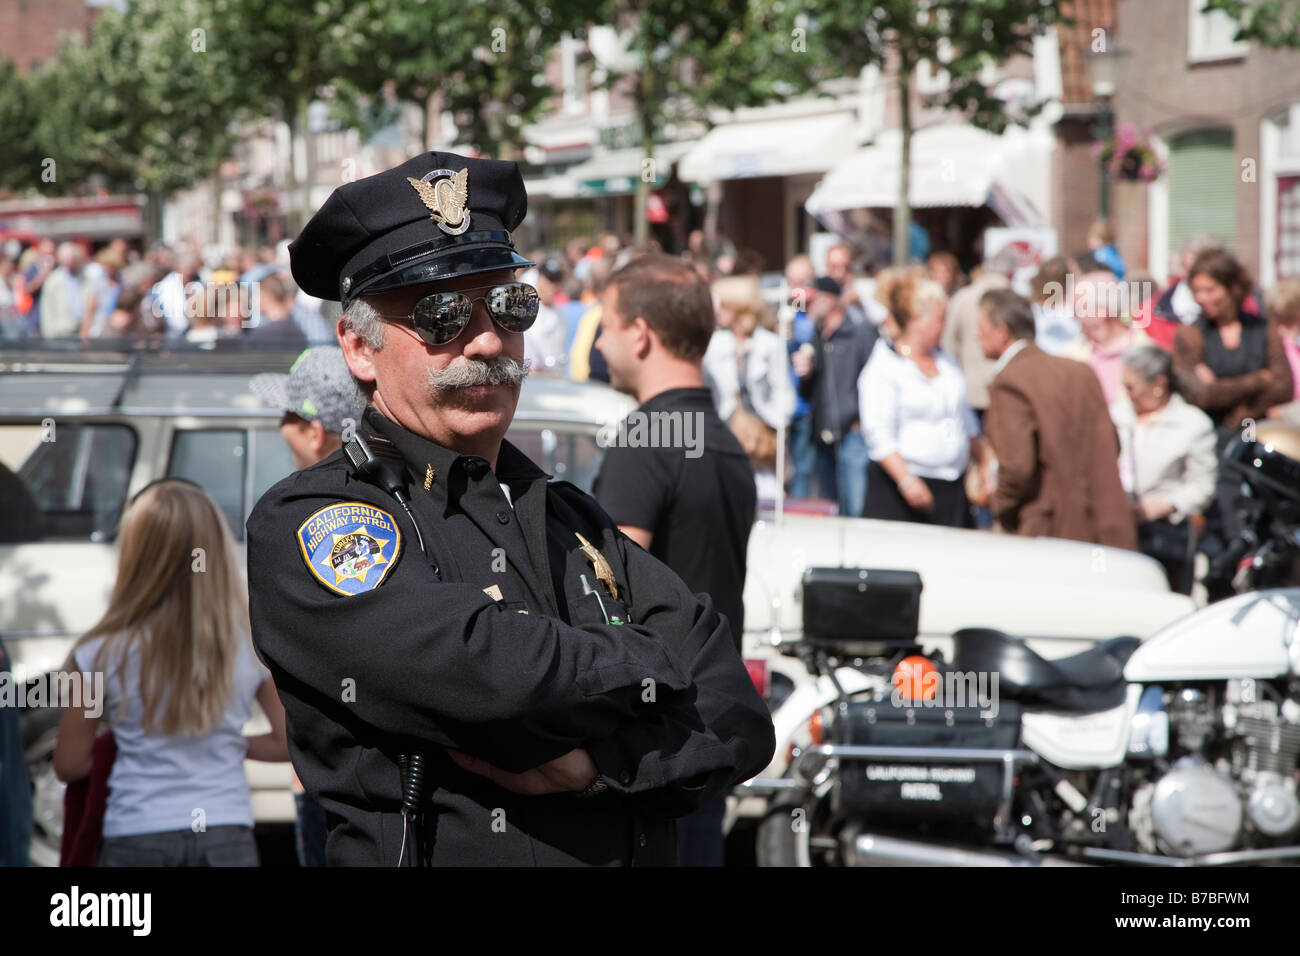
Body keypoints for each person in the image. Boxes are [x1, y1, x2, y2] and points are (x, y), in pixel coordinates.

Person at [248, 151, 774, 866]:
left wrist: (598, 767)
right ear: (358, 347)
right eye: (442, 317)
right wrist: (652, 665)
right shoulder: (317, 519)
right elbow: (491, 678)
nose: (490, 340)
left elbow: (736, 713)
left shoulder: (571, 517)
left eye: (508, 306)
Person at [591, 255, 757, 866]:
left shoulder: (644, 442)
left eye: (606, 325)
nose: (602, 343)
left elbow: (609, 598)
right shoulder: (725, 440)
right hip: (706, 729)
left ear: (640, 332)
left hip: (654, 741)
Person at [53, 479, 289, 866]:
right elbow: (288, 742)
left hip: (136, 831)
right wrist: (225, 743)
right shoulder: (247, 643)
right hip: (225, 830)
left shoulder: (99, 652)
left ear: (135, 554)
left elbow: (69, 763)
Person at [249, 346, 364, 867]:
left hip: (335, 778)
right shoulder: (394, 501)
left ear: (315, 432)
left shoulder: (305, 519)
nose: (281, 429)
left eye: (287, 416)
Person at [1172, 249, 1293, 592]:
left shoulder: (1262, 328)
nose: (1203, 298)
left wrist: (1229, 398)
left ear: (1231, 288)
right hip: (1212, 445)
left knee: (1264, 522)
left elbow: (1283, 385)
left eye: (1211, 289)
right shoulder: (1191, 335)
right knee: (1221, 527)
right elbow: (1201, 395)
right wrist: (1258, 380)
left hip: (1253, 439)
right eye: (1197, 290)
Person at [978, 289, 1137, 549]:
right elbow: (1112, 442)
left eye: (981, 328)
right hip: (1104, 526)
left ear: (1001, 331)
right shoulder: (1079, 370)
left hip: (1048, 531)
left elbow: (1017, 467)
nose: (977, 335)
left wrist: (1001, 507)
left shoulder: (1010, 381)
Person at [860, 274, 981, 527]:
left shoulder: (946, 361)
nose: (944, 326)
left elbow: (964, 420)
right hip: (902, 492)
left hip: (951, 488)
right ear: (917, 321)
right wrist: (906, 480)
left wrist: (983, 461)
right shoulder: (884, 367)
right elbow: (878, 434)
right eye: (940, 319)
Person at [1111, 345, 1217, 593]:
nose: (1128, 394)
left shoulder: (1192, 424)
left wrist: (1163, 504)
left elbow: (1203, 486)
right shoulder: (1116, 416)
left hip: (1163, 534)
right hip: (1117, 526)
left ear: (1158, 383)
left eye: (1132, 387)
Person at [792, 276, 878, 516]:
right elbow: (809, 392)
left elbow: (875, 383)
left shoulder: (860, 335)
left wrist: (862, 420)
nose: (809, 307)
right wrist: (805, 375)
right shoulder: (816, 337)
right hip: (823, 435)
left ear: (829, 300)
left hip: (853, 435)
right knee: (830, 507)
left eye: (814, 300)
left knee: (856, 507)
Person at [703, 275, 795, 499]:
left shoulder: (770, 344)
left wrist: (775, 428)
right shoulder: (714, 345)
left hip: (763, 444)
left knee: (767, 500)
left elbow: (784, 394)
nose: (718, 311)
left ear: (738, 307)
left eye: (723, 305)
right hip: (725, 437)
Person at [1059, 264, 1154, 406]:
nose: (1074, 316)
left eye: (1079, 308)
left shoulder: (1146, 349)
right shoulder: (1070, 354)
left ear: (1104, 309)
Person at [942, 249, 1017, 421]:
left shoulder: (961, 298)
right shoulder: (1014, 298)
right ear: (1011, 273)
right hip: (1008, 389)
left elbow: (949, 343)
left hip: (969, 387)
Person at [247, 274, 309, 348]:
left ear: (265, 296)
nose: (252, 300)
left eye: (255, 295)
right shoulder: (297, 331)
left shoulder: (260, 334)